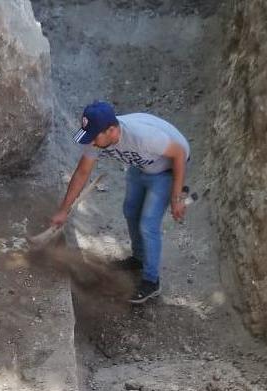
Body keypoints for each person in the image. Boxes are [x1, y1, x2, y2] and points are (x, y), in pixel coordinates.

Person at [50, 101, 190, 304]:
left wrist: (176, 198)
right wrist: (63, 210)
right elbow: (82, 172)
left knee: (148, 224)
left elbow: (179, 154)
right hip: (141, 166)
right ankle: (139, 258)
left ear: (112, 130)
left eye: (95, 137)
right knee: (130, 210)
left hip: (165, 171)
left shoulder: (144, 138)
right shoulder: (97, 138)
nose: (92, 143)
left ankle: (152, 281)